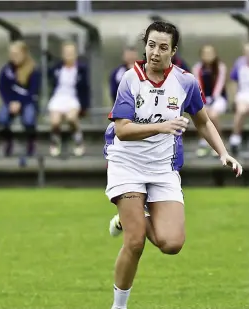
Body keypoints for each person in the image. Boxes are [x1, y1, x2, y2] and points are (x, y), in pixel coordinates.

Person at [104, 21, 242, 309]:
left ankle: (128, 218)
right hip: (126, 162)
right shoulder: (130, 79)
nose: (155, 52)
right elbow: (122, 130)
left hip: (162, 168)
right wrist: (162, 127)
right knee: (135, 241)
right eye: (151, 45)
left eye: (163, 47)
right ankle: (118, 307)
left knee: (172, 243)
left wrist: (222, 152)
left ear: (173, 51)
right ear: (145, 45)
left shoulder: (186, 82)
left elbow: (202, 120)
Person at [0, 40, 40, 158]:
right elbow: (2, 88)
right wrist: (10, 102)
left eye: (16, 54)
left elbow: (33, 91)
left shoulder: (33, 70)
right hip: (11, 102)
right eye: (11, 54)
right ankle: (8, 141)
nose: (13, 57)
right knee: (2, 118)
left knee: (29, 118)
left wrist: (20, 102)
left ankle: (31, 143)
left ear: (24, 54)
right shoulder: (6, 69)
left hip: (27, 101)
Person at [47, 41, 89, 157]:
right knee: (55, 121)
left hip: (73, 97)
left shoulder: (81, 69)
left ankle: (78, 140)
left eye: (71, 53)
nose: (68, 55)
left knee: (71, 118)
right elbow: (48, 77)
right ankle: (55, 141)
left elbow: (85, 88)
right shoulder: (57, 68)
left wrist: (85, 106)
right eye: (66, 53)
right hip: (59, 97)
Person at [192, 45, 228, 157]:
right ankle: (203, 142)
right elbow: (198, 86)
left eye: (210, 52)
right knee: (200, 114)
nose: (208, 55)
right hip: (203, 98)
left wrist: (212, 99)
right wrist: (204, 100)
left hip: (218, 98)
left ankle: (219, 143)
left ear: (215, 54)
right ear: (201, 55)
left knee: (213, 115)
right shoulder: (197, 68)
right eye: (205, 53)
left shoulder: (221, 67)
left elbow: (219, 85)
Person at [228, 43, 249, 156]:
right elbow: (233, 82)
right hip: (243, 94)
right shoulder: (239, 63)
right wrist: (234, 98)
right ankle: (235, 139)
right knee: (241, 111)